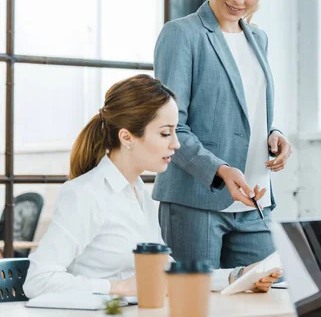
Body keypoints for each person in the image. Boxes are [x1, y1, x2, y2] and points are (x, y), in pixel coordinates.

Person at [23, 74, 280, 298]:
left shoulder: (138, 194)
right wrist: (116, 287)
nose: (176, 144)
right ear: (127, 137)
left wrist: (240, 276)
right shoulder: (85, 194)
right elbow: (38, 280)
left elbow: (165, 272)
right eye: (165, 133)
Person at [152, 0, 292, 269]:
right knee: (196, 306)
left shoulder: (259, 39)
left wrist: (273, 134)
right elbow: (170, 127)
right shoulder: (183, 35)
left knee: (262, 303)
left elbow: (247, 112)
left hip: (255, 202)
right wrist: (220, 170)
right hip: (195, 201)